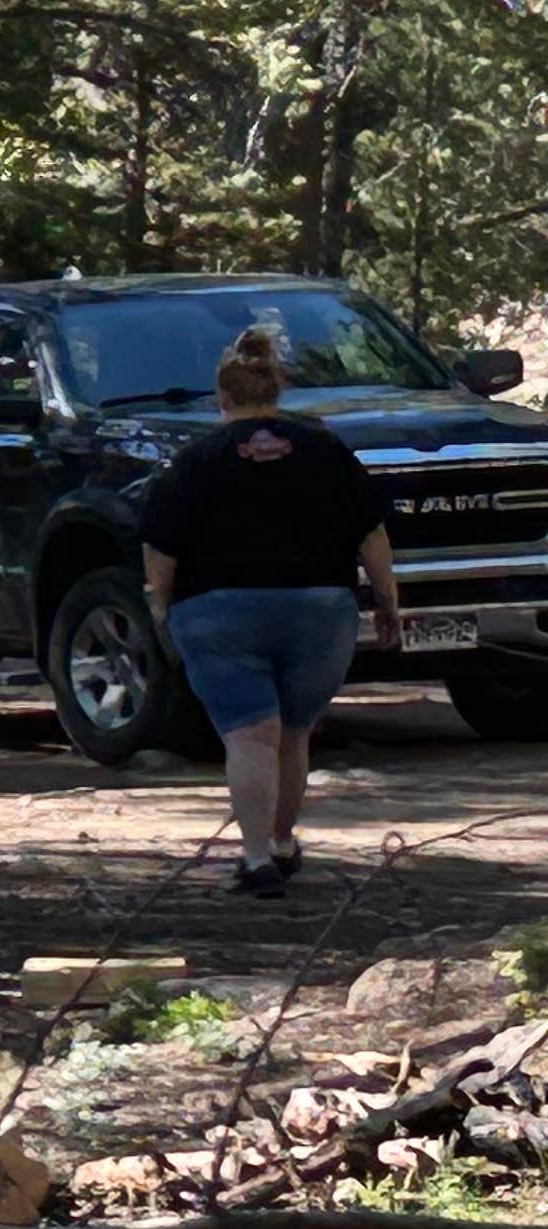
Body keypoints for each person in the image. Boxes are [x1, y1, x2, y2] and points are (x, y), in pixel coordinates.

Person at [137, 324, 399, 895]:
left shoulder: (196, 460)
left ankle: (256, 860)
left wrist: (162, 608)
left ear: (222, 396)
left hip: (219, 611)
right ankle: (282, 843)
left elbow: (160, 548)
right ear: (278, 390)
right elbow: (371, 533)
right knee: (294, 732)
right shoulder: (325, 449)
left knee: (250, 735)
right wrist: (387, 600)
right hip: (320, 609)